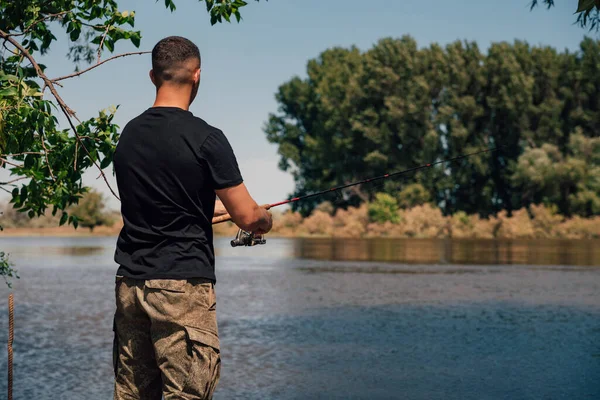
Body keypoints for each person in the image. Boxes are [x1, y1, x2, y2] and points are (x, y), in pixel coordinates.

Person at [111, 36, 272, 400]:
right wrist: (263, 219)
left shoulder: (129, 136)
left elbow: (162, 204)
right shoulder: (207, 139)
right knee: (187, 394)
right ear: (197, 76)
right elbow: (247, 217)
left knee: (133, 394)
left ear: (153, 76)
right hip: (181, 285)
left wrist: (214, 211)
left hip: (130, 286)